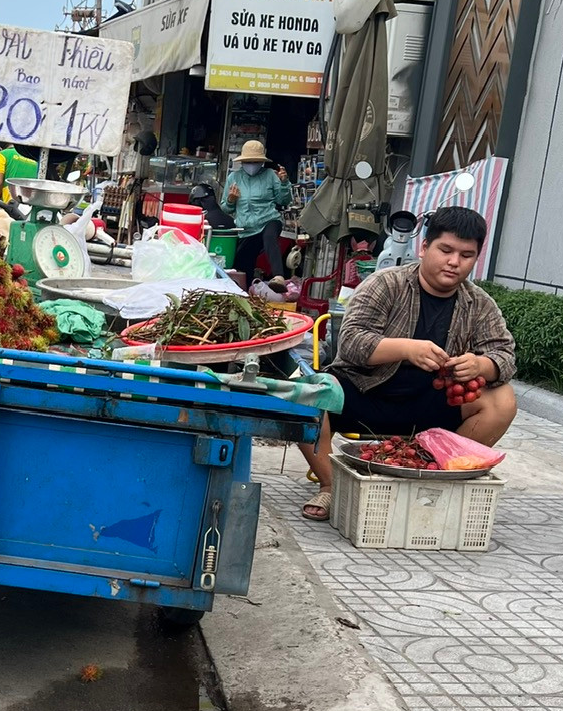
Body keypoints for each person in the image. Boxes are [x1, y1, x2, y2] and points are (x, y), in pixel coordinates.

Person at [297, 207, 517, 521]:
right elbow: (351, 342)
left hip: (433, 404)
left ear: (476, 258)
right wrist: (405, 348)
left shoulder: (479, 303)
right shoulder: (386, 284)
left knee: (503, 399)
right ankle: (333, 484)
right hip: (365, 393)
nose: (454, 262)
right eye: (446, 250)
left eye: (466, 255)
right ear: (424, 248)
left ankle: (434, 472)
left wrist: (482, 365)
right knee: (306, 394)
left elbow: (505, 356)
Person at [220, 140, 292, 278]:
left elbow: (284, 200)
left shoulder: (270, 175)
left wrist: (284, 183)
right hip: (246, 228)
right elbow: (225, 208)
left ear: (261, 162)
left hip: (268, 219)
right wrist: (231, 200)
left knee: (270, 237)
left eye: (255, 161)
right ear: (242, 162)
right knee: (242, 266)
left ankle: (279, 277)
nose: (252, 165)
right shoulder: (234, 178)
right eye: (249, 162)